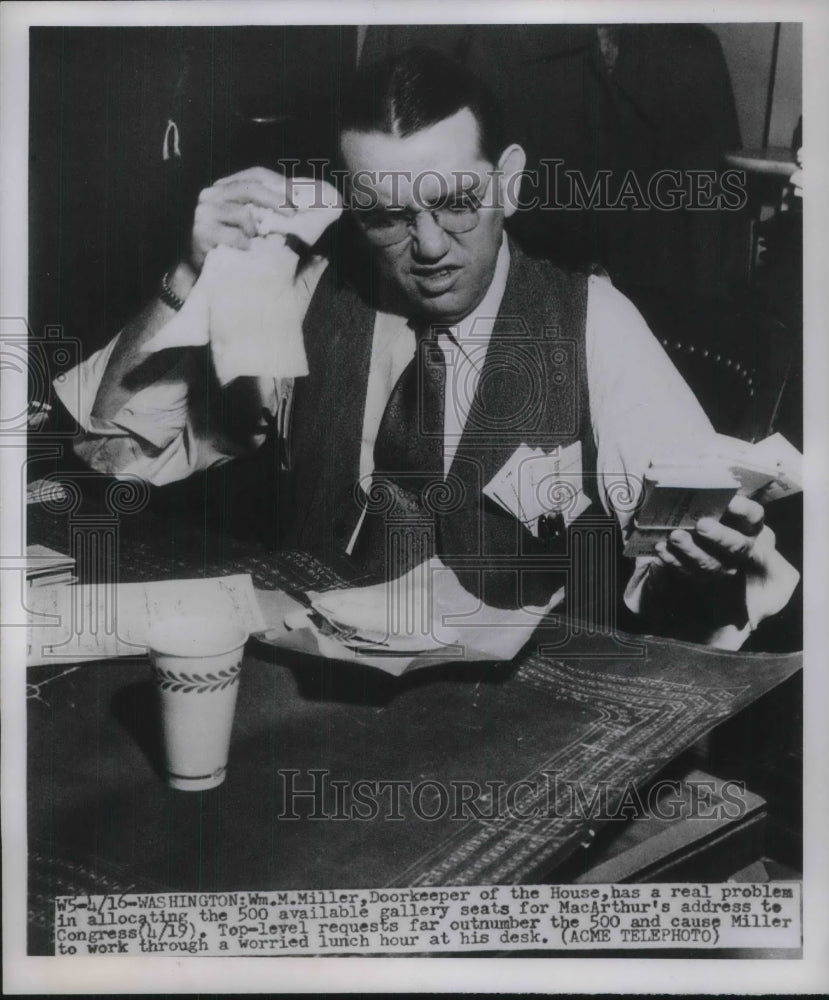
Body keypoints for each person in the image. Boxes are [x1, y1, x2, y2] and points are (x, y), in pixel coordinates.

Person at [56, 48, 797, 650]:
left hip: (510, 721)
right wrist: (190, 277)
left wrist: (704, 554)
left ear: (507, 180)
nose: (431, 247)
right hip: (310, 684)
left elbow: (688, 559)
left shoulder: (592, 321)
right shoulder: (305, 292)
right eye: (386, 217)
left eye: (454, 202)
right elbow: (111, 449)